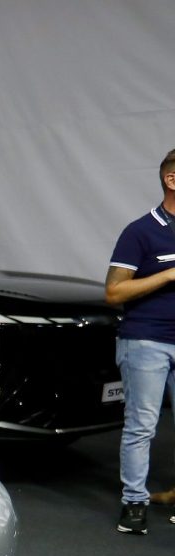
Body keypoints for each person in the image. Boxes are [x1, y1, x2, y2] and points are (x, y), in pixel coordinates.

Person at [105, 148, 175, 535]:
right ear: (171, 179)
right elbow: (114, 292)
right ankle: (134, 503)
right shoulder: (140, 231)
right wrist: (168, 275)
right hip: (146, 342)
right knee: (142, 426)